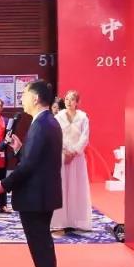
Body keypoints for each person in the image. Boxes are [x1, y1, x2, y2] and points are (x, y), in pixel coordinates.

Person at [0, 80, 63, 267]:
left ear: (35, 98)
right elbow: (35, 159)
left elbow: (29, 167)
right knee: (43, 249)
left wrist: (3, 185)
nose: (21, 99)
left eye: (24, 95)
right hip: (41, 195)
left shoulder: (42, 124)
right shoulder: (46, 122)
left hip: (36, 197)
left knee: (41, 250)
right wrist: (20, 149)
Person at [52, 90, 93, 232]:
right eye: (67, 99)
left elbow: (85, 137)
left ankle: (77, 221)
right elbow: (56, 135)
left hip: (77, 158)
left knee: (77, 187)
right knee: (62, 187)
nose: (69, 102)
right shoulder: (58, 117)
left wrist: (74, 152)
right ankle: (61, 221)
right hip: (62, 156)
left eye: (72, 99)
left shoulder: (83, 117)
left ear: (77, 102)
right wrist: (65, 151)